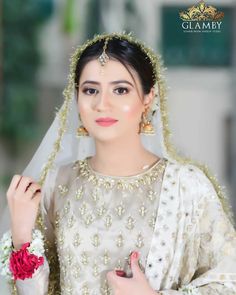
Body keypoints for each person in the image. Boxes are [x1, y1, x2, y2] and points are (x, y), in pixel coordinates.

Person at [0, 32, 236, 295]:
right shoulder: (58, 183)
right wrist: (22, 237)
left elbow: (229, 282)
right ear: (77, 98)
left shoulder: (186, 187)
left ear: (148, 98)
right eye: (90, 90)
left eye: (120, 90)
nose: (102, 104)